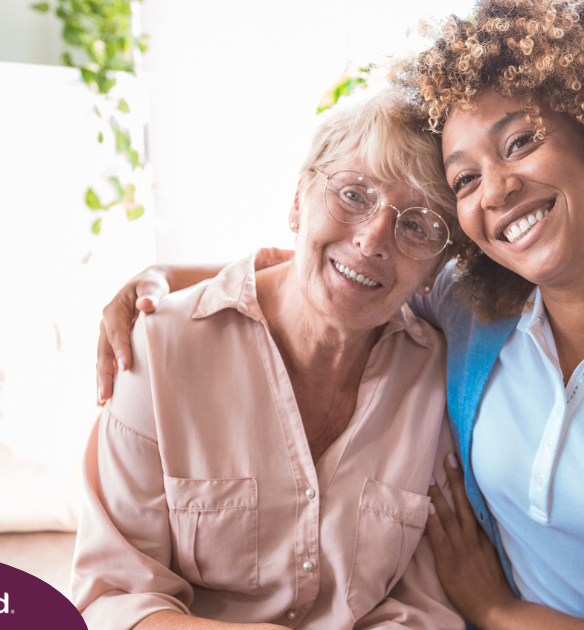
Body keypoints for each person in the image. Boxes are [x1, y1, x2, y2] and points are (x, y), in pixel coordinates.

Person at [96, 1, 584, 629]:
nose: (496, 190)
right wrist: (162, 280)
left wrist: (497, 611)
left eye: (521, 141)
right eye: (464, 178)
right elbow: (338, 266)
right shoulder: (476, 310)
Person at [72, 87, 467, 630]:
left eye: (417, 225)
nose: (374, 240)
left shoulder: (437, 378)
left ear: (436, 268)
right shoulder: (161, 350)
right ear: (299, 198)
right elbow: (114, 599)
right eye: (354, 194)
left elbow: (423, 607)